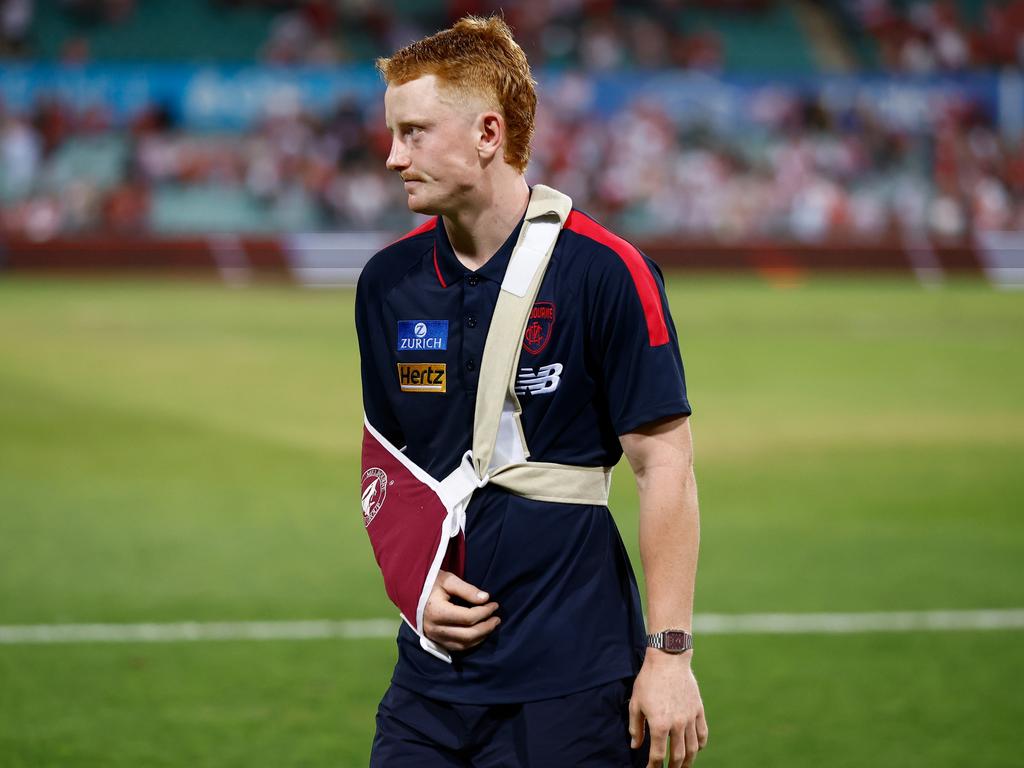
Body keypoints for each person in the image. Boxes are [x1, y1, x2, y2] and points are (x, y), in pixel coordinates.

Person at [354, 15, 708, 768]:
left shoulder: (609, 271)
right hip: (428, 682)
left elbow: (665, 466)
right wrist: (409, 584)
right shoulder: (386, 282)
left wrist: (670, 656)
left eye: (414, 133)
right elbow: (385, 463)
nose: (393, 157)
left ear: (488, 133)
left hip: (573, 682)